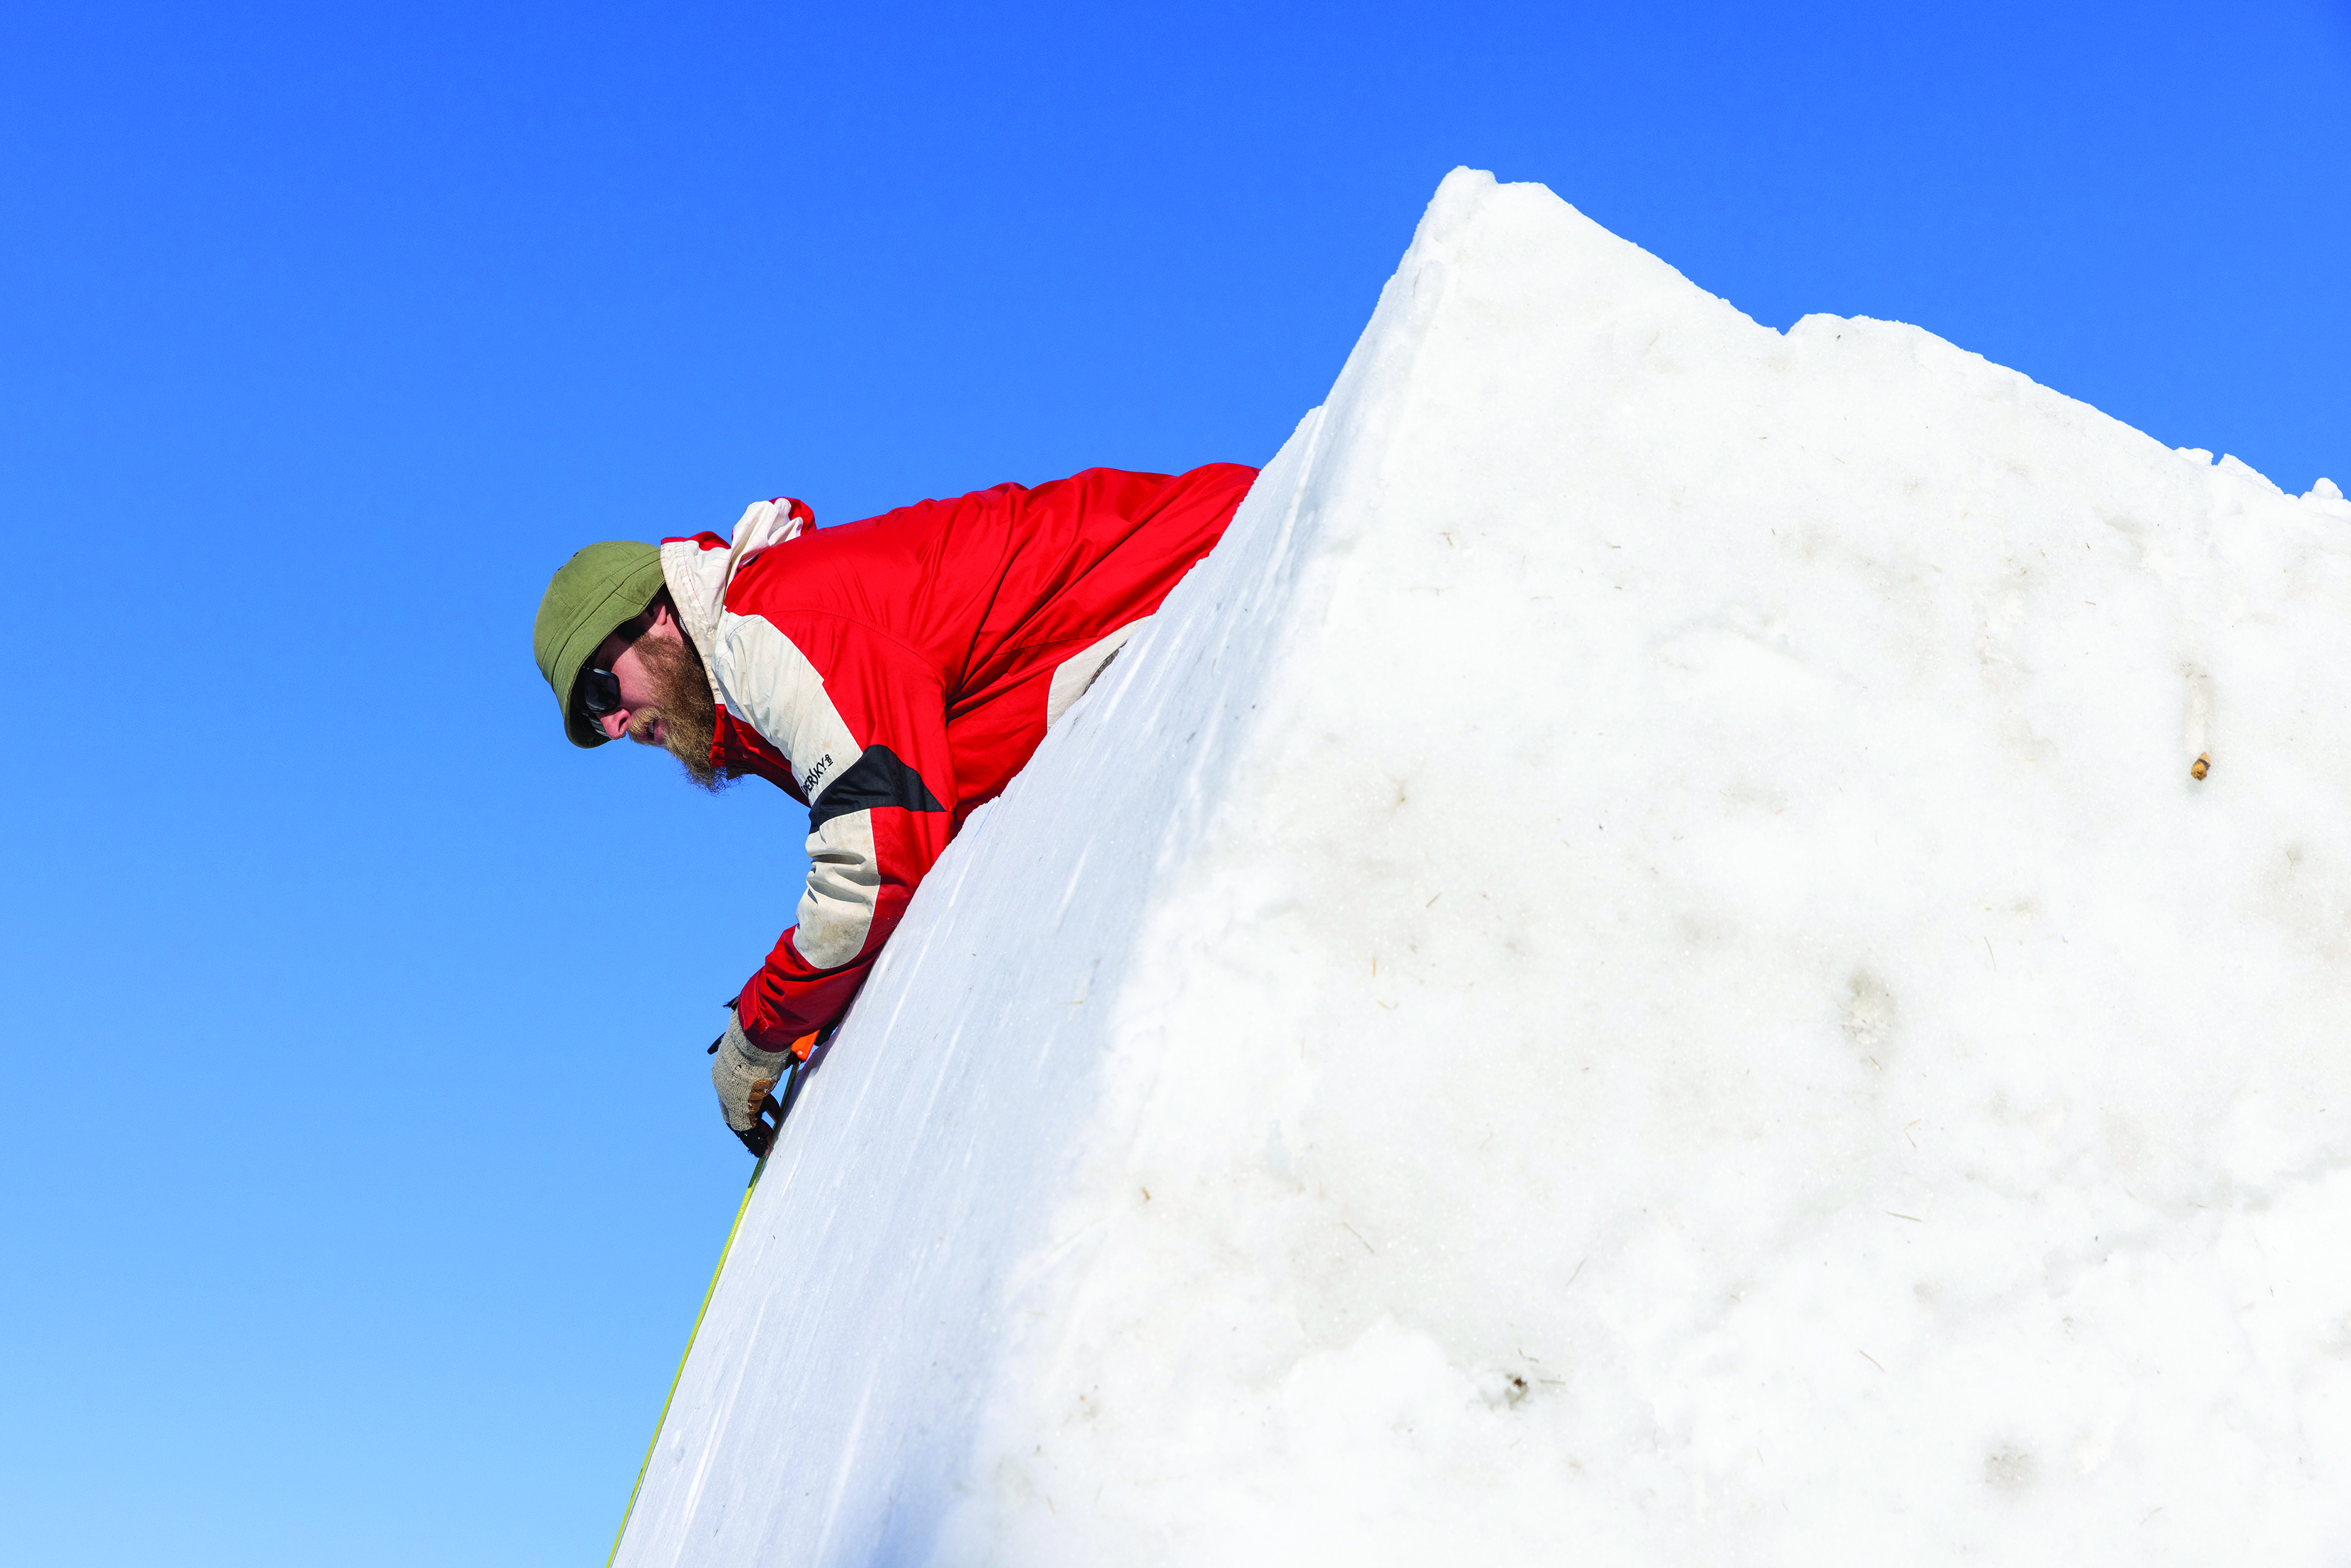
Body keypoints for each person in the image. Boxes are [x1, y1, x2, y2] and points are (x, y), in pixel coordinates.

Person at [532, 464, 1257, 1153]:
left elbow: (873, 867)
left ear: (658, 616)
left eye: (602, 693)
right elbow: (916, 810)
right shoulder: (757, 659)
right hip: (1205, 587)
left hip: (1223, 559)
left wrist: (764, 1026)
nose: (617, 726)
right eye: (595, 726)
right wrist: (831, 999)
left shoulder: (766, 631)